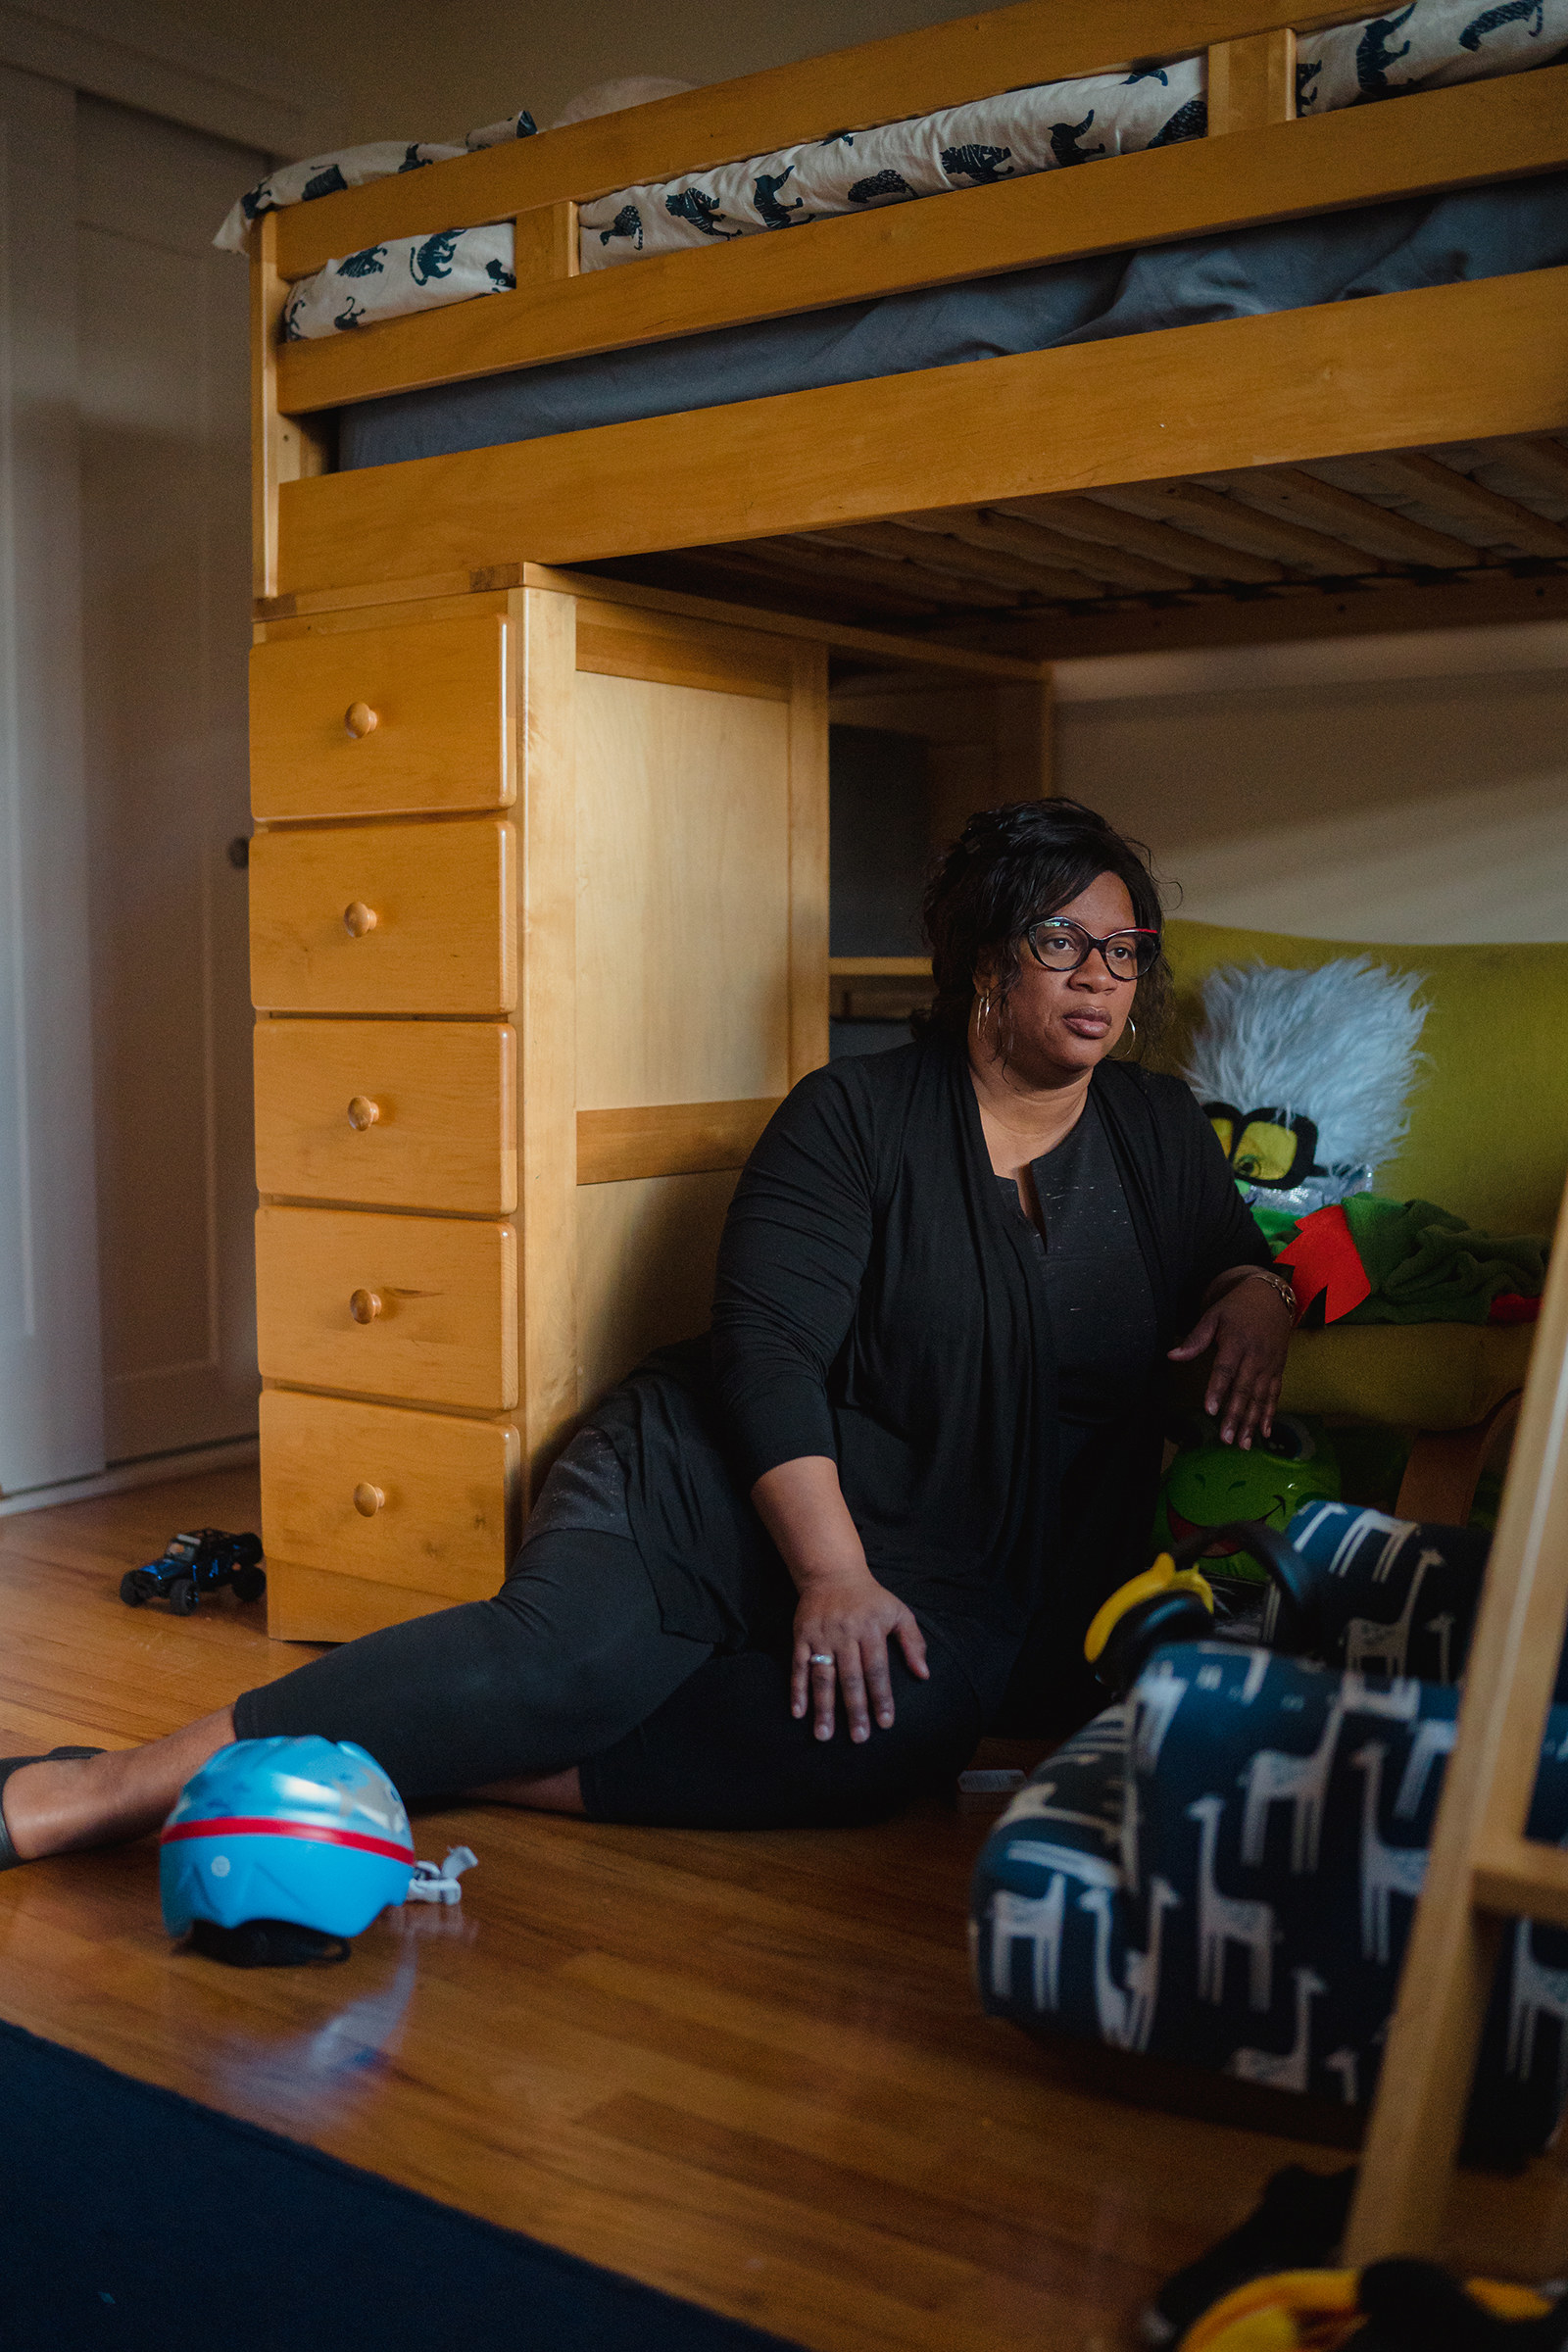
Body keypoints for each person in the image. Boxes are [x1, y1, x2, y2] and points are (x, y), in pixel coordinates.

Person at [0, 799, 1294, 1866]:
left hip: (951, 1560)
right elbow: (767, 1357)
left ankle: (436, 1768)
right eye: (1064, 944)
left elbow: (1231, 1255)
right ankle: (108, 1788)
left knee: (893, 1737)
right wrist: (834, 1575)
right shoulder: (853, 1117)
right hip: (716, 1477)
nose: (1099, 979)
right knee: (570, 1657)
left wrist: (1254, 1295)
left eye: (1124, 952)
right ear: (987, 959)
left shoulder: (1154, 1131)